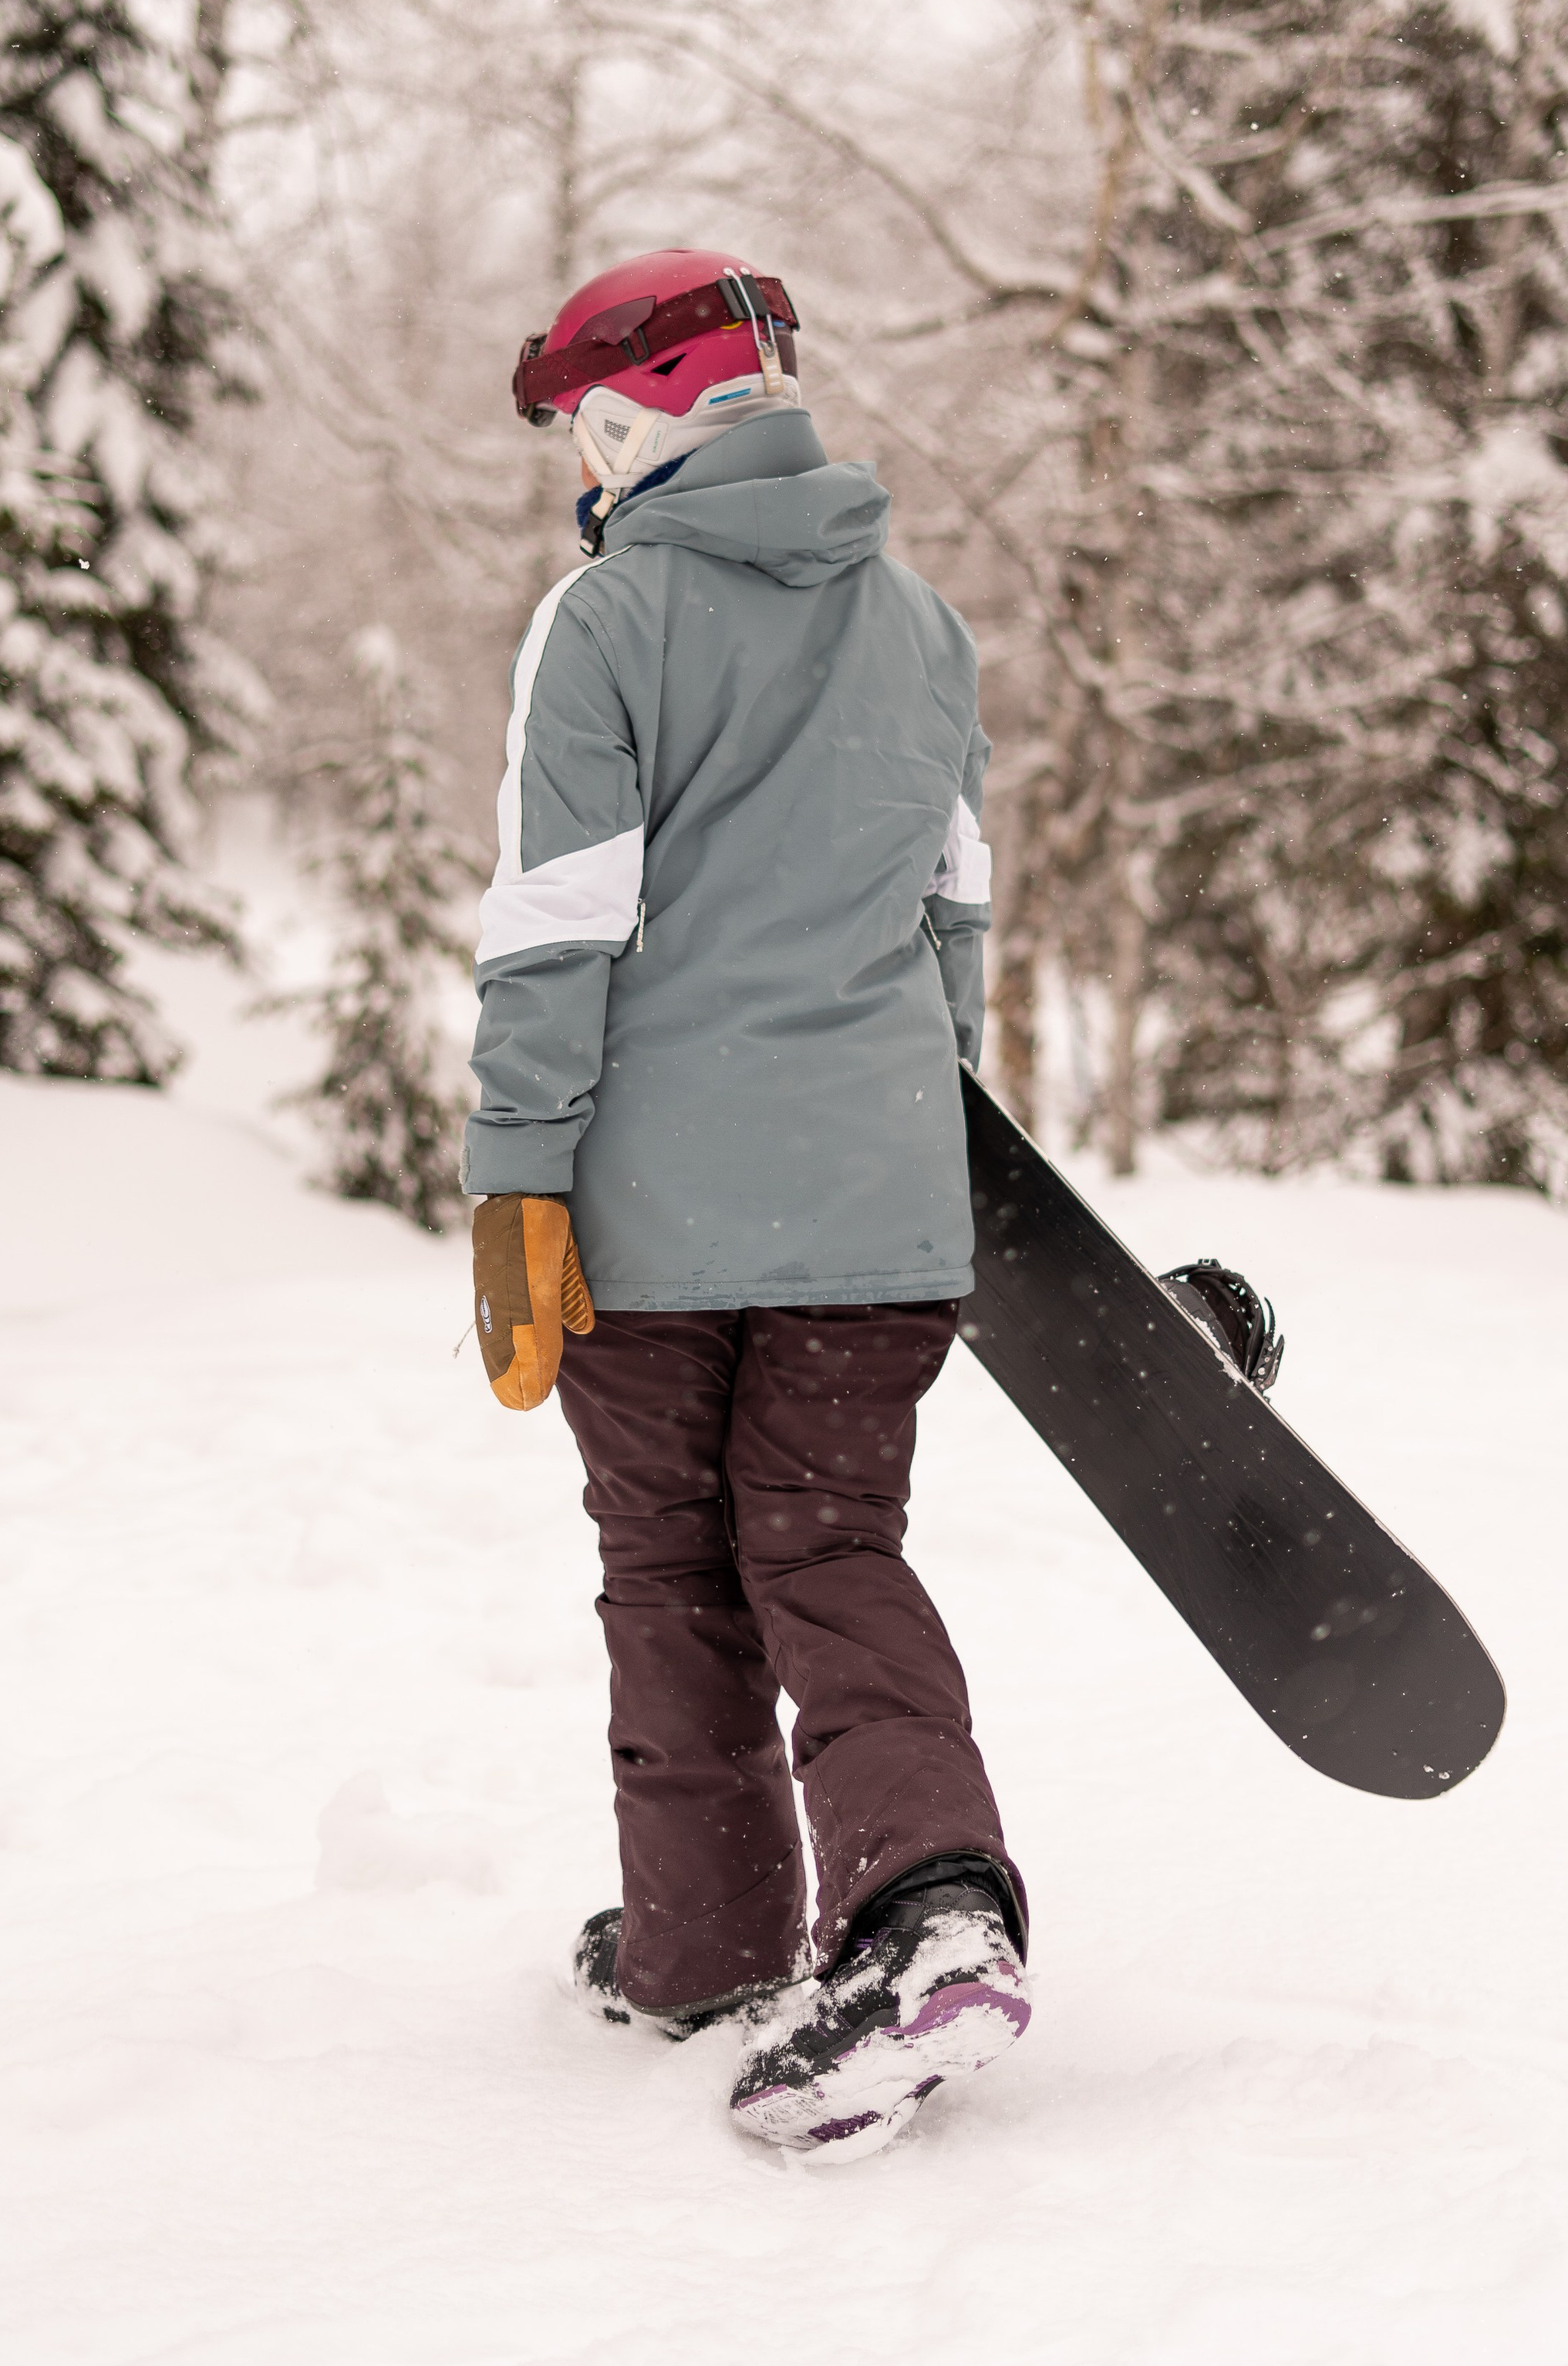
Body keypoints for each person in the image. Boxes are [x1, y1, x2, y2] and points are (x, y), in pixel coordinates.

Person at [464, 248, 1028, 2161]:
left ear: (637, 418)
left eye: (583, 427)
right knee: (824, 1546)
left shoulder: (605, 621)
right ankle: (895, 1911)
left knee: (670, 1561)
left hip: (653, 1204)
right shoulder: (923, 628)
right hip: (876, 1208)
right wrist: (926, 1138)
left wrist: (514, 1179)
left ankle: (733, 1941)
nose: (582, 463)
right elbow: (952, 925)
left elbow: (559, 922)